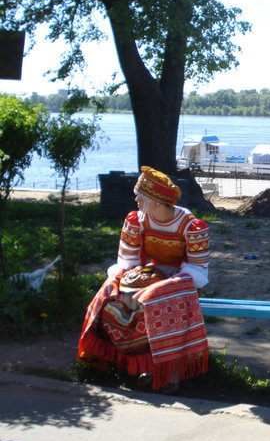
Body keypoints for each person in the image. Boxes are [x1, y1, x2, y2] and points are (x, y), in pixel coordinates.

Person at [78, 166, 210, 392]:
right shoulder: (137, 220)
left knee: (153, 303)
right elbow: (127, 260)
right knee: (111, 297)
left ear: (157, 201)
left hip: (182, 281)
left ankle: (166, 372)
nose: (136, 199)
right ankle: (121, 362)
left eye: (141, 196)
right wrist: (126, 280)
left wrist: (163, 285)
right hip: (149, 275)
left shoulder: (191, 226)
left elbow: (197, 273)